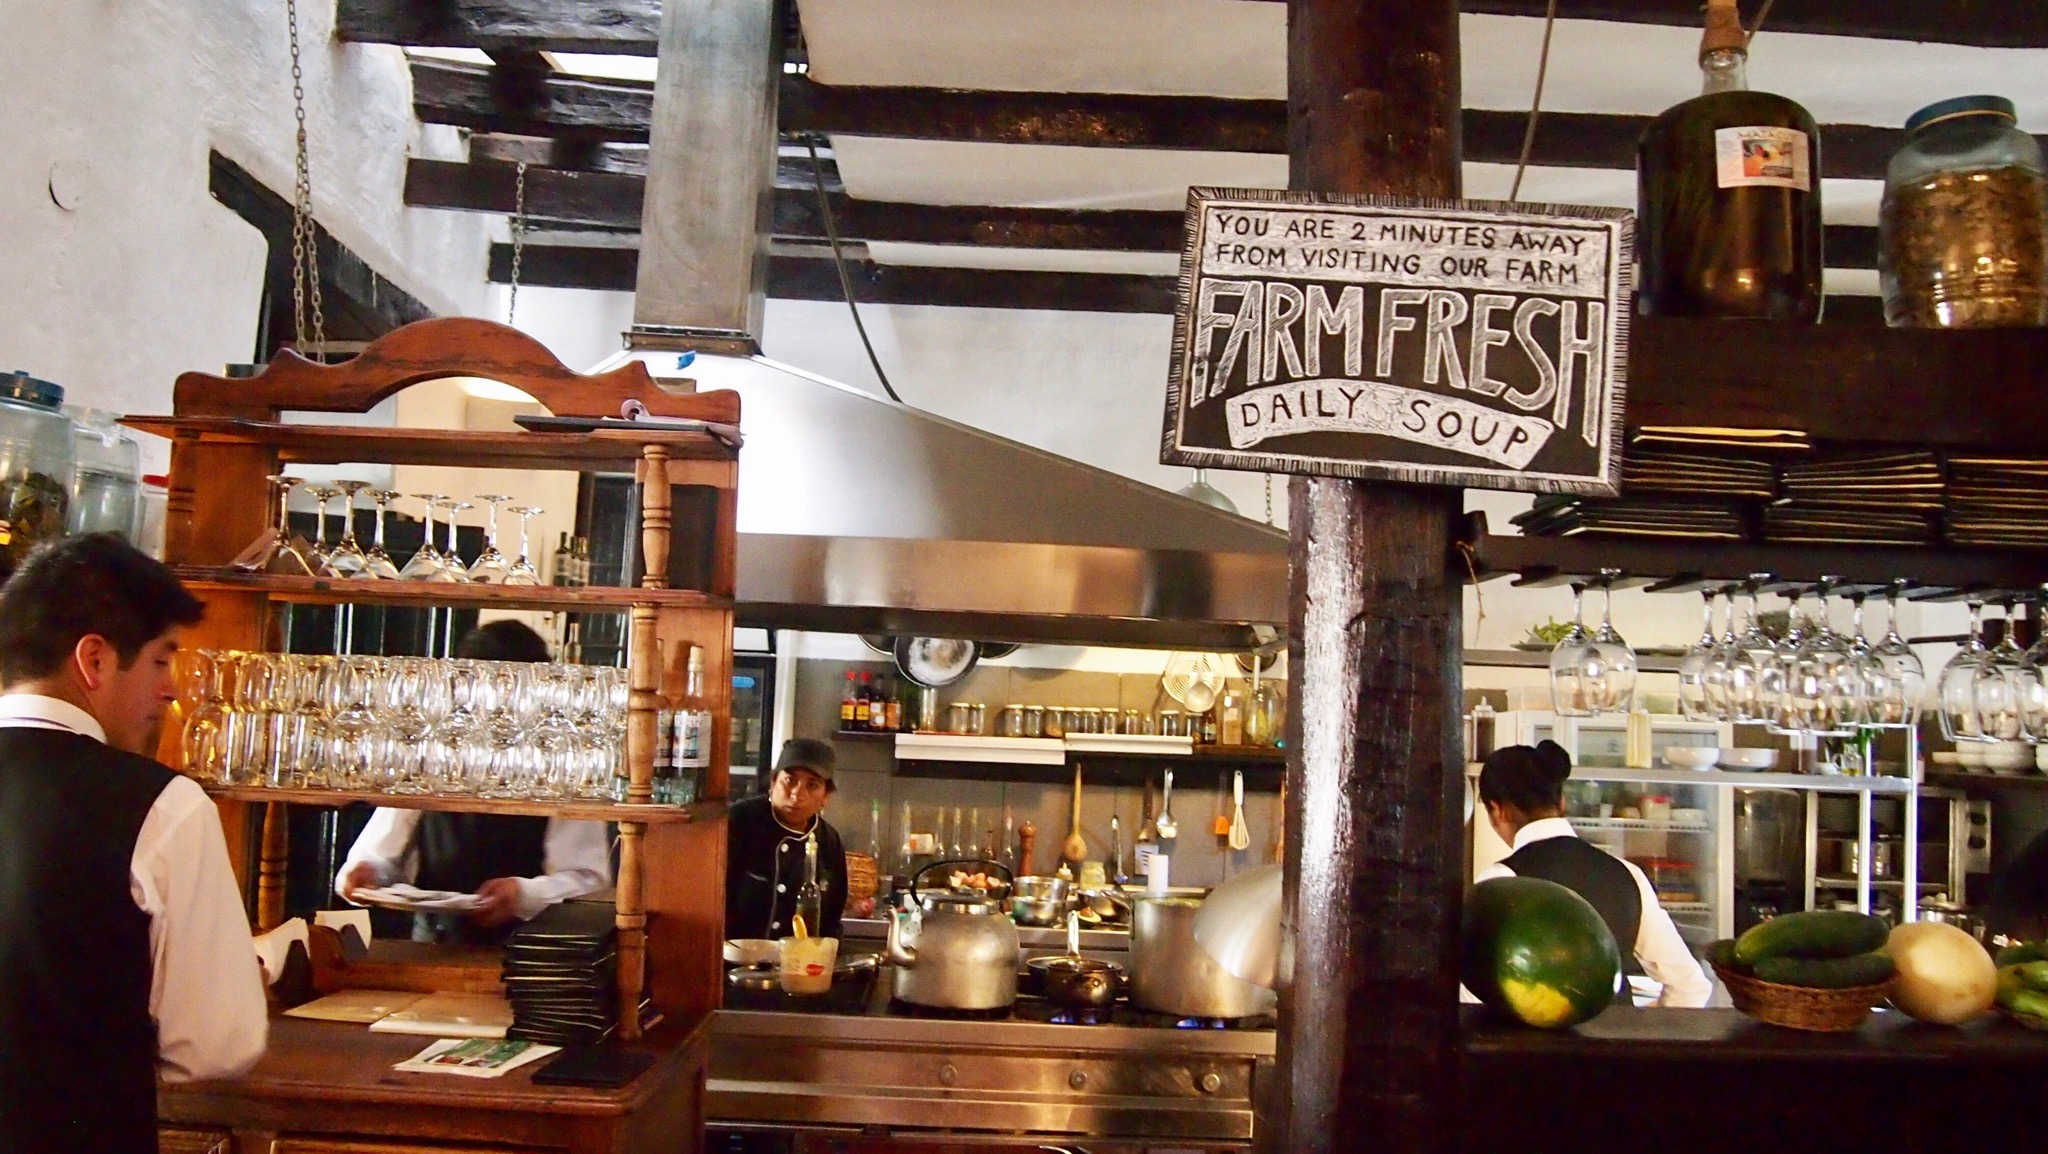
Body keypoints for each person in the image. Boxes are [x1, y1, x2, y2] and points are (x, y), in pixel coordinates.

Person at [0, 534, 268, 1153]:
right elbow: (216, 1045)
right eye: (160, 660)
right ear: (94, 660)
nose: (171, 690)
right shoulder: (163, 807)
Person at [336, 620, 610, 944]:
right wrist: (367, 871)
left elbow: (589, 880)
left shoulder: (565, 768)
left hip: (529, 951)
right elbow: (380, 853)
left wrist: (523, 894)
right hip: (432, 944)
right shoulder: (430, 756)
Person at [1476, 740, 1713, 1008]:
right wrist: (1636, 1028)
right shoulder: (1628, 874)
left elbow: (1474, 996)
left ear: (1498, 811)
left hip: (1528, 1036)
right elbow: (1690, 987)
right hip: (1615, 1035)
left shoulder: (1499, 881)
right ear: (1562, 802)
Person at [726, 737, 848, 939]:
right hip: (733, 955)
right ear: (772, 783)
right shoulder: (740, 821)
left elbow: (831, 921)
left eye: (812, 785)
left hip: (798, 957)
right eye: (790, 781)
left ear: (826, 797)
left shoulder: (829, 842)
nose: (797, 794)